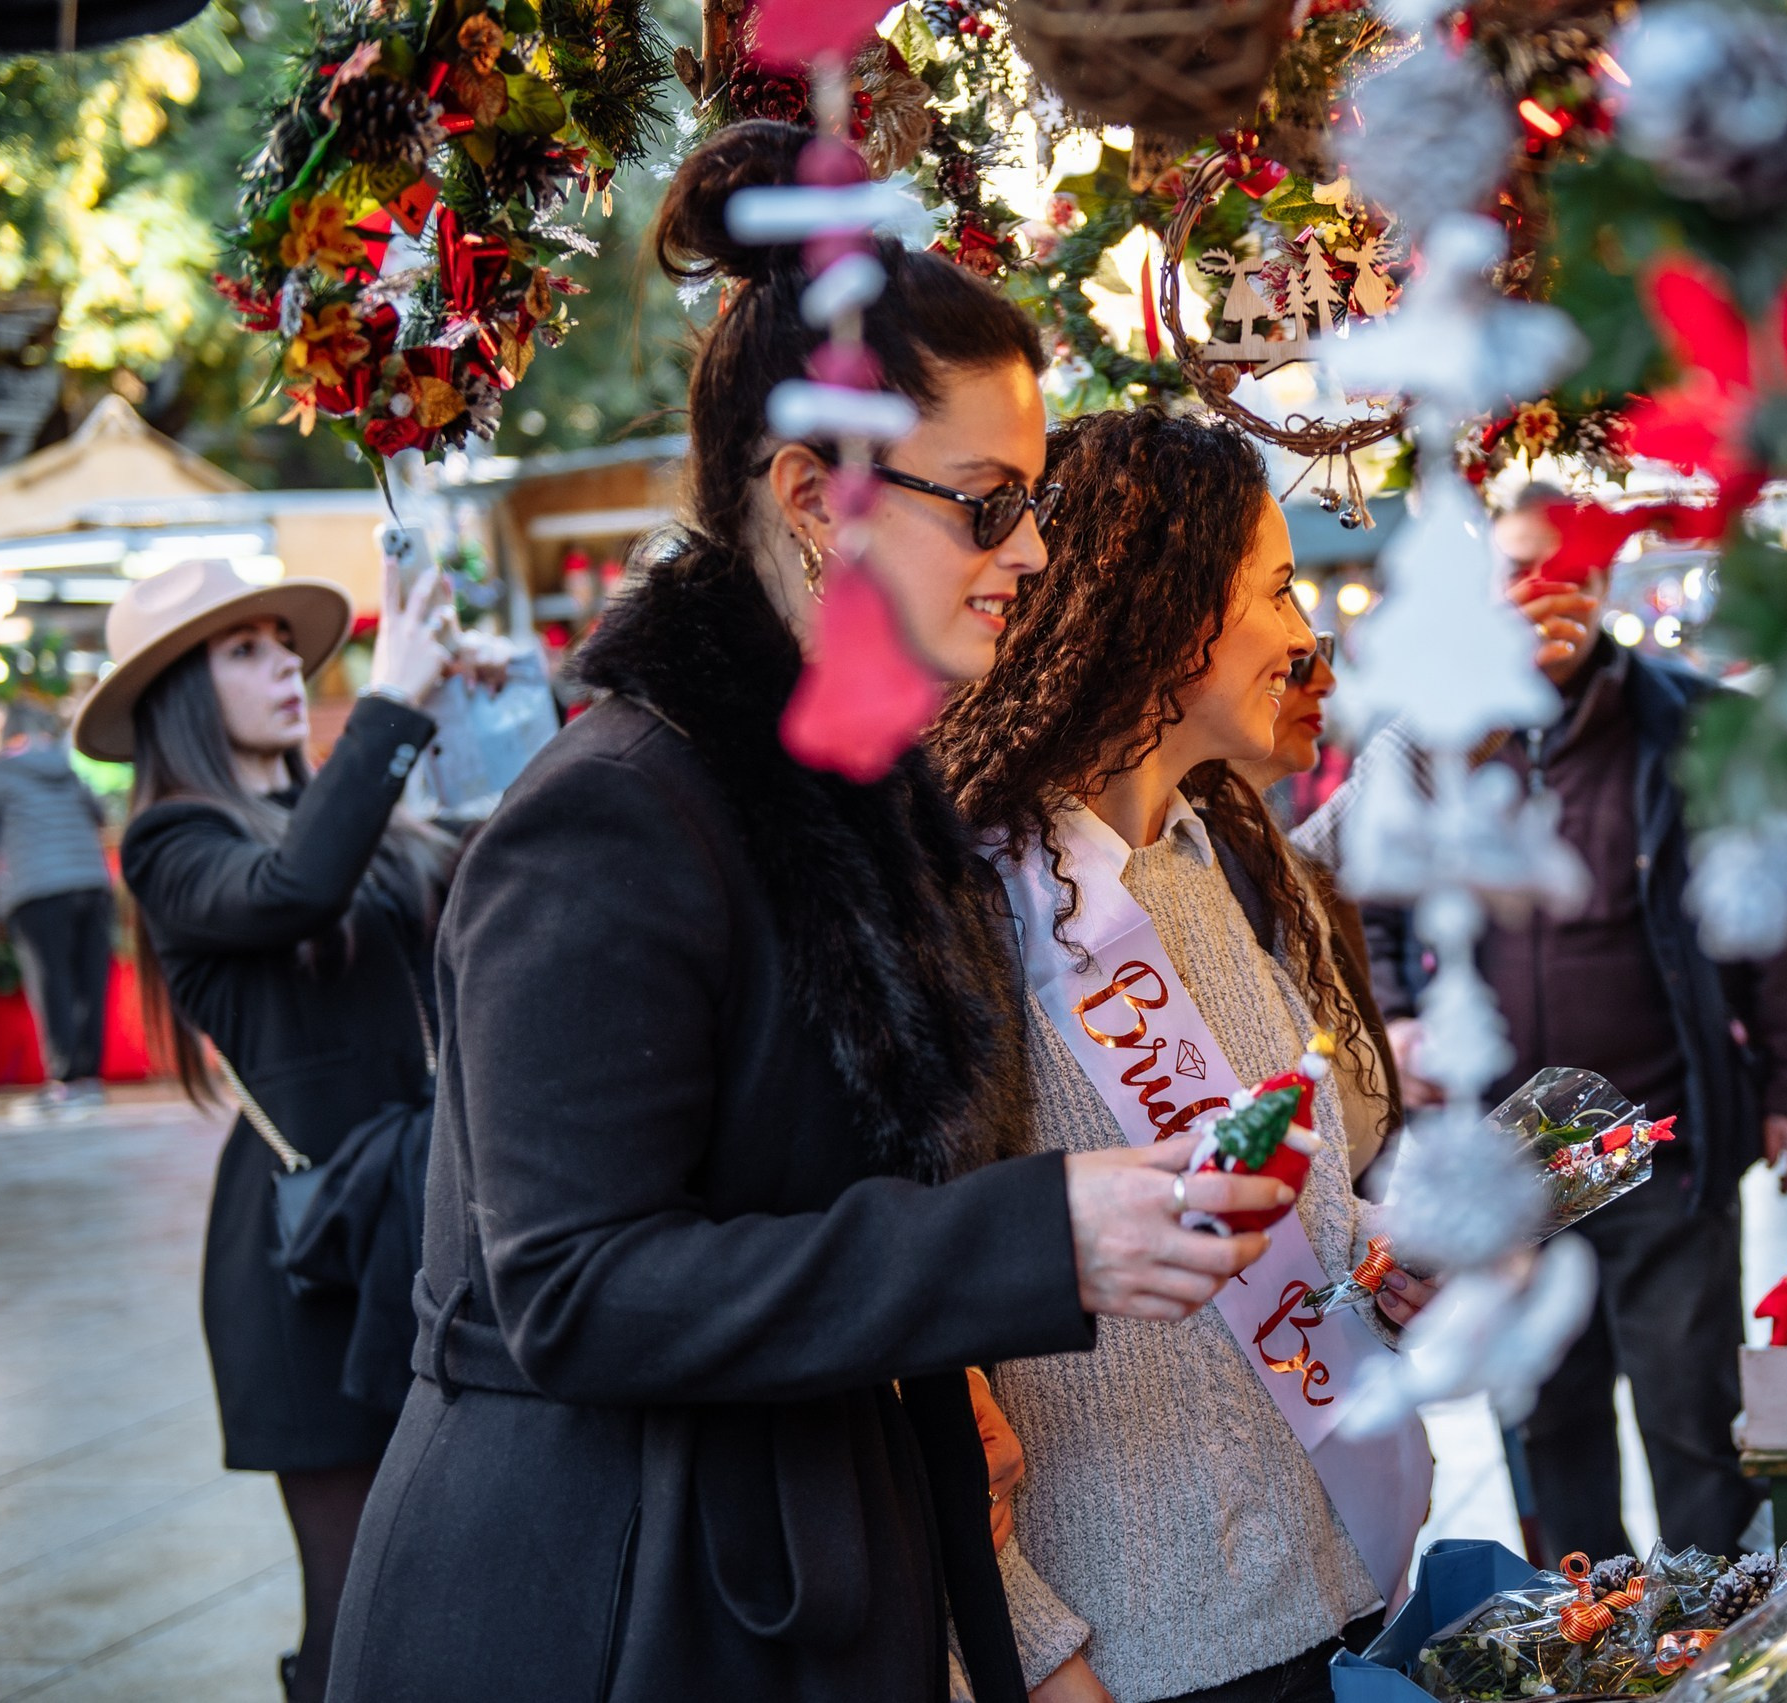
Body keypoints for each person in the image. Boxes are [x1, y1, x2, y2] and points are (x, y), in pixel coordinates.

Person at [326, 125, 1286, 1703]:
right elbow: (570, 1286)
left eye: (1031, 504)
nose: (1033, 554)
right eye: (988, 503)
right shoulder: (616, 809)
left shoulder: (868, 806)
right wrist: (1037, 1232)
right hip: (605, 1605)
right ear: (815, 499)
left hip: (792, 1575)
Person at [935, 409, 1433, 1703]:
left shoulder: (1211, 859)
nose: (1302, 632)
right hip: (1131, 1655)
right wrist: (1039, 1652)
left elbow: (1227, 1202)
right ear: (1163, 617)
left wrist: (1370, 1248)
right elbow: (925, 1334)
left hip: (1303, 1595)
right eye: (1273, 588)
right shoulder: (978, 911)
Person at [1359, 492, 1787, 1564]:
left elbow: (1768, 915)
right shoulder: (1438, 740)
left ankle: (1718, 1640)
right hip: (1505, 1153)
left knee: (1691, 1414)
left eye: (1574, 571)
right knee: (1547, 1418)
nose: (1550, 593)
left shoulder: (1690, 726)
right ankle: (1587, 1635)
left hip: (1657, 1131)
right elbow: (1379, 903)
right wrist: (1393, 1019)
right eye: (1524, 569)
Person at [79, 551, 460, 1703]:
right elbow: (292, 889)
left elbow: (485, 868)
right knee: (356, 1595)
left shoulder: (332, 815)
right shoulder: (172, 842)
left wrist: (479, 704)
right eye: (244, 650)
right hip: (301, 1257)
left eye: (284, 644)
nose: (286, 666)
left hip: (416, 1217)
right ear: (183, 692)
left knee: (458, 1568)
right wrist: (390, 704)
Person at [1232, 633, 1403, 1182]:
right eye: (1300, 661)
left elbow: (1378, 801)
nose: (1325, 681)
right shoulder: (1198, 859)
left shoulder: (1267, 855)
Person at [0, 696, 115, 1118]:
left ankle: (65, 1084)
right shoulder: (66, 767)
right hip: (91, 882)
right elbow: (99, 814)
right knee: (90, 982)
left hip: (37, 888)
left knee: (53, 984)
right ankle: (88, 1080)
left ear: (7, 729)